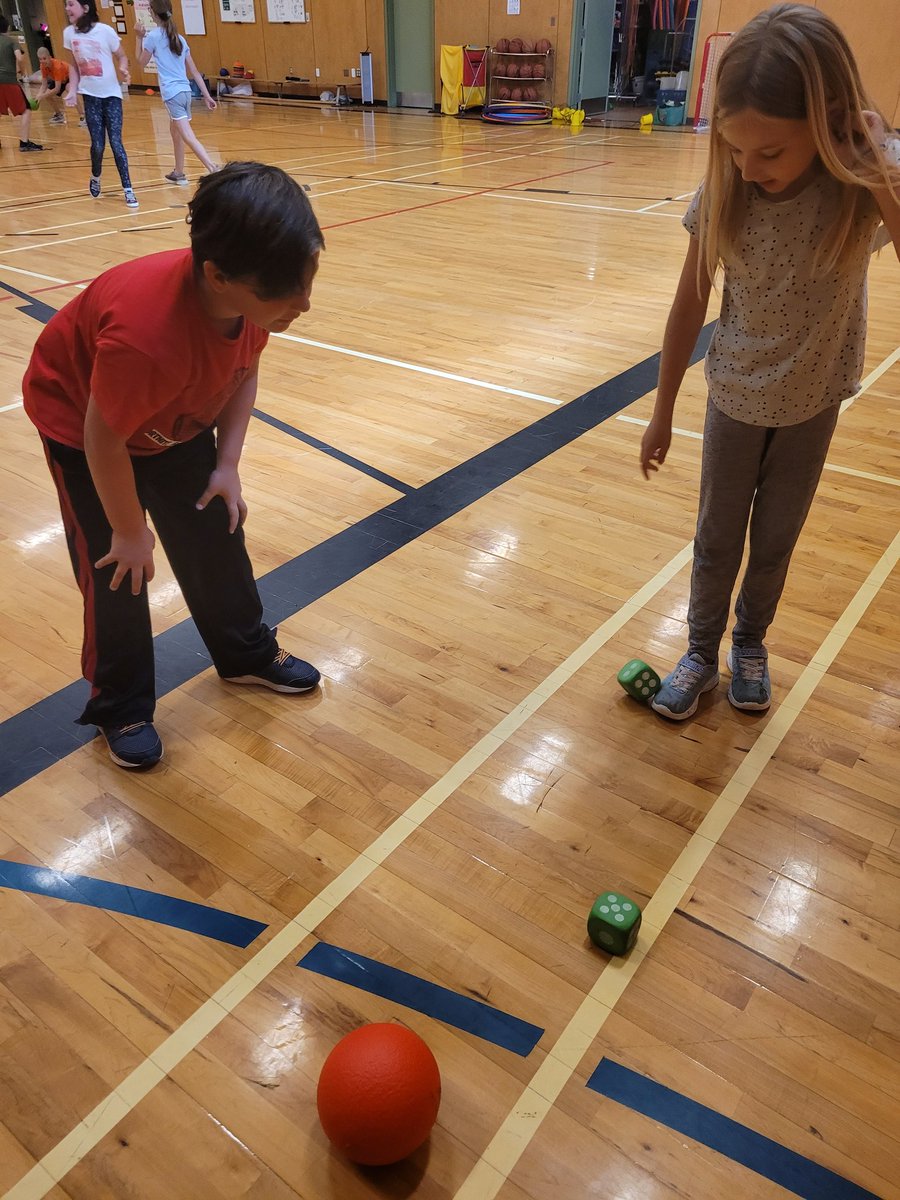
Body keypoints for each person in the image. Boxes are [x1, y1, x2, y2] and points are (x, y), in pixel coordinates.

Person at [639, 3, 900, 721]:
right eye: (734, 149)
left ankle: (749, 643)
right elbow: (689, 304)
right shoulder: (728, 187)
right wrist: (661, 412)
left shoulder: (860, 192)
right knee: (716, 539)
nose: (750, 170)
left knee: (775, 541)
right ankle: (699, 650)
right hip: (734, 399)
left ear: (828, 122)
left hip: (813, 403)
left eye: (772, 153)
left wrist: (876, 170)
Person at [22, 163, 324, 769]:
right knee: (118, 568)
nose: (304, 304)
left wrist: (227, 465)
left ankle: (244, 656)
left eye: (308, 282)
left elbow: (244, 372)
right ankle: (121, 706)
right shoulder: (145, 337)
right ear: (217, 275)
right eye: (287, 292)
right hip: (85, 431)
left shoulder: (248, 305)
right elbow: (103, 439)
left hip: (168, 419)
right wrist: (132, 532)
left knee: (215, 528)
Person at [62, 0, 137, 208]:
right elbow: (74, 67)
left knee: (116, 142)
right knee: (98, 145)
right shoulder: (69, 34)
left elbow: (122, 55)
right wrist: (72, 90)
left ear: (85, 8)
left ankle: (128, 188)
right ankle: (96, 176)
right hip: (90, 96)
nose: (67, 9)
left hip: (112, 95)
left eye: (71, 4)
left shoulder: (105, 31)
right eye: (66, 5)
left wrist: (123, 69)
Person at [135, 0, 219, 183]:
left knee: (187, 135)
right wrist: (206, 95)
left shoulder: (153, 37)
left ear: (152, 13)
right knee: (175, 132)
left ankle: (214, 169)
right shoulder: (179, 38)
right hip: (185, 92)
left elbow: (140, 63)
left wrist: (138, 37)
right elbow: (195, 72)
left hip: (172, 94)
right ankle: (179, 172)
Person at [0, 15, 43, 150]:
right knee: (26, 110)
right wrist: (23, 71)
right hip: (9, 80)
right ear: (7, 27)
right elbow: (19, 57)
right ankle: (24, 143)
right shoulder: (11, 41)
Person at [34, 45, 84, 125]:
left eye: (44, 58)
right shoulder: (42, 66)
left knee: (69, 89)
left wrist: (42, 96)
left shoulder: (57, 67)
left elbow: (57, 89)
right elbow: (44, 85)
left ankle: (82, 116)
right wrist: (38, 96)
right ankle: (59, 115)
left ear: (50, 57)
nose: (42, 61)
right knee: (47, 93)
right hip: (59, 79)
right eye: (40, 59)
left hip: (70, 76)